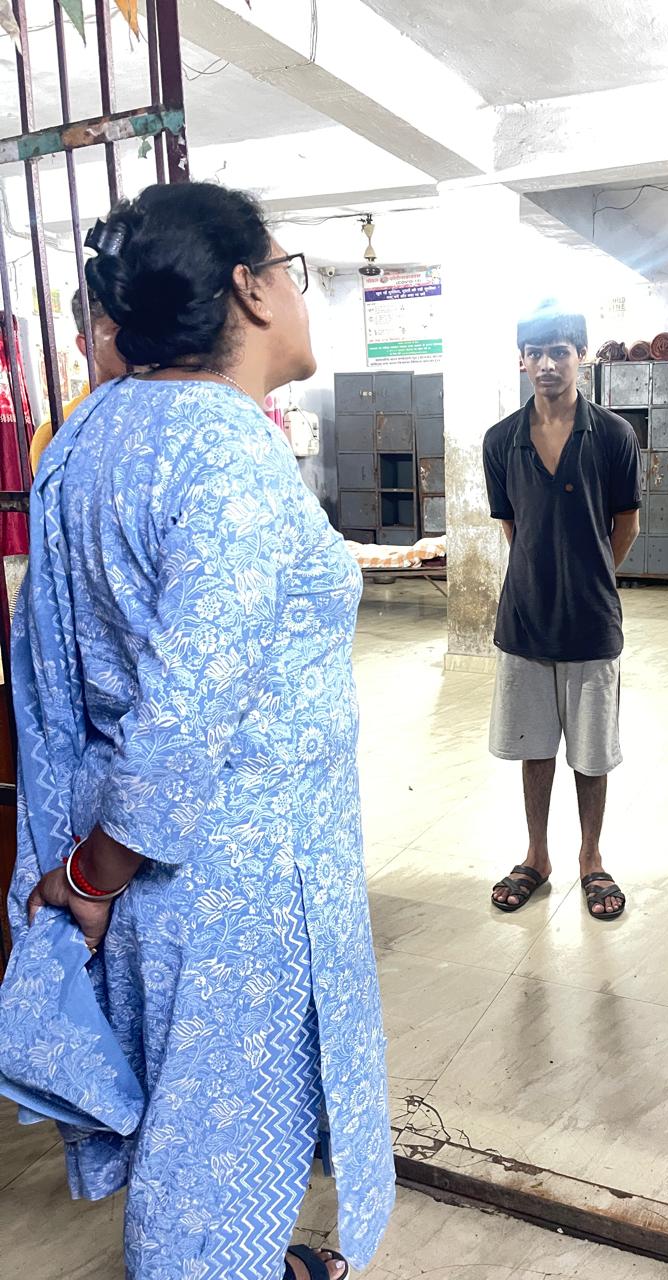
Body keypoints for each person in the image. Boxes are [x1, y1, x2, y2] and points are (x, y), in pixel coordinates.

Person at [5, 183, 394, 1277]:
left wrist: (78, 859)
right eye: (289, 268)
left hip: (148, 885)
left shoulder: (92, 433)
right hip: (229, 889)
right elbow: (184, 715)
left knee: (192, 1133)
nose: (296, 293)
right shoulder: (228, 453)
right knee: (208, 1162)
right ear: (249, 289)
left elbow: (49, 667)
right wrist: (91, 872)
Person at [484, 302, 642, 921]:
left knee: (592, 749)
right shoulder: (501, 440)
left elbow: (625, 523)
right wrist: (542, 576)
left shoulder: (613, 435)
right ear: (521, 361)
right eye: (536, 353)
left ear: (582, 357)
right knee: (534, 743)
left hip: (592, 622)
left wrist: (589, 575)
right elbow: (513, 527)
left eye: (560, 351)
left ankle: (591, 857)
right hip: (524, 619)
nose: (547, 363)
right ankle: (537, 855)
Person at [28, 285, 127, 473]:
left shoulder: (163, 408)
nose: (137, 343)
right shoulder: (59, 430)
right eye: (120, 331)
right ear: (86, 346)